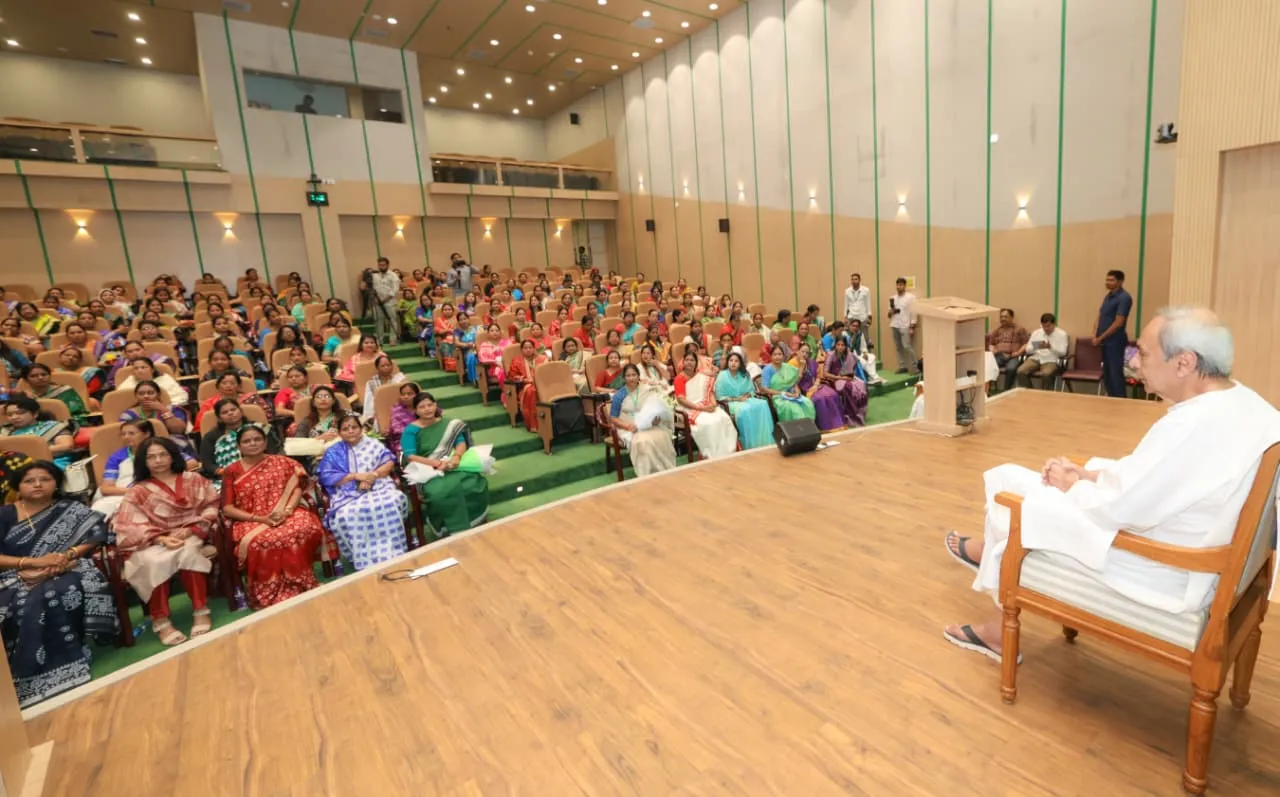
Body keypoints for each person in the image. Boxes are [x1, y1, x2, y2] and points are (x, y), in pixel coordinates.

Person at [942, 307, 1280, 665]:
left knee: (1007, 488)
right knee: (1019, 487)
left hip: (1156, 565)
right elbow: (1151, 481)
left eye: (1143, 354)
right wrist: (1089, 474)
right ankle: (991, 554)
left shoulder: (1190, 425)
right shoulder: (1250, 405)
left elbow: (1122, 510)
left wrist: (1072, 484)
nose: (1133, 362)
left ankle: (994, 590)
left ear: (1184, 363)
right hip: (1198, 550)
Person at [0, 461, 113, 707]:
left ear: (56, 483)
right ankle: (21, 671)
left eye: (45, 479)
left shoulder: (71, 508)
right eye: (29, 481)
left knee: (59, 591)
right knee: (17, 602)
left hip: (67, 568)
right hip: (13, 576)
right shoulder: (5, 514)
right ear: (18, 486)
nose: (38, 485)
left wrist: (66, 556)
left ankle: (68, 657)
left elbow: (96, 534)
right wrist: (32, 563)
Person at [114, 438, 221, 646]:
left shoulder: (193, 479)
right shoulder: (138, 490)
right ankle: (161, 620)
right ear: (143, 461)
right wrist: (160, 538)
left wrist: (191, 529)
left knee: (188, 553)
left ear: (173, 456)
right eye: (151, 457)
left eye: (163, 454)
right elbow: (127, 524)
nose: (158, 460)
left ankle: (201, 610)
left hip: (189, 533)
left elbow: (212, 505)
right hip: (153, 540)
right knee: (152, 562)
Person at [220, 425, 326, 609]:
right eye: (247, 441)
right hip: (251, 520)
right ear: (238, 446)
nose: (253, 443)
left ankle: (303, 582)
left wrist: (287, 511)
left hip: (288, 512)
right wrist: (259, 519)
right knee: (262, 541)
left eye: (257, 439)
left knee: (301, 528)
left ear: (265, 442)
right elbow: (227, 509)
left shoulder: (282, 462)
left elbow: (297, 488)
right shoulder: (231, 471)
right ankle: (269, 593)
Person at [316, 414, 409, 571]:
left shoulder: (373, 444)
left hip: (379, 485)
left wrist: (373, 475)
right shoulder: (333, 452)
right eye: (345, 429)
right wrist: (354, 476)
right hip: (346, 492)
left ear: (361, 429)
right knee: (347, 514)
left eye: (354, 427)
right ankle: (364, 559)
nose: (351, 431)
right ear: (339, 433)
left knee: (390, 503)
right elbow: (326, 476)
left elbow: (389, 462)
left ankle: (395, 552)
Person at [401, 392, 490, 536]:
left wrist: (456, 458)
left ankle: (474, 521)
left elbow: (460, 443)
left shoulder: (449, 424)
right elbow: (411, 456)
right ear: (415, 411)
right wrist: (436, 463)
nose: (427, 409)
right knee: (439, 493)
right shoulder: (410, 430)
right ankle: (447, 528)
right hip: (427, 470)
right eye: (422, 407)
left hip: (452, 464)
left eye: (430, 405)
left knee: (473, 482)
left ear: (435, 405)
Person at [93, 418, 195, 519]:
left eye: (131, 433)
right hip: (125, 494)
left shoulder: (161, 449)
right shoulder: (117, 457)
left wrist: (164, 471)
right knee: (103, 509)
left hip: (161, 491)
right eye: (123, 434)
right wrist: (138, 491)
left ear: (146, 434)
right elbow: (106, 488)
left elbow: (192, 463)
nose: (126, 437)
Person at [609, 364, 677, 477]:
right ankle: (647, 474)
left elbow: (660, 406)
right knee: (643, 442)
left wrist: (656, 418)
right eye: (628, 376)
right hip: (628, 427)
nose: (631, 378)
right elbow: (613, 418)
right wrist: (627, 426)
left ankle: (665, 471)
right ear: (624, 378)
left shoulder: (648, 389)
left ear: (638, 376)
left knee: (662, 436)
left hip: (650, 425)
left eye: (634, 375)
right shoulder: (619, 395)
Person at [672, 350, 738, 459]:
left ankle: (728, 452)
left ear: (696, 362)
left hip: (705, 405)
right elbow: (681, 400)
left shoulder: (701, 375)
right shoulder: (679, 378)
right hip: (689, 409)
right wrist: (701, 408)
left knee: (723, 417)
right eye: (687, 360)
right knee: (709, 423)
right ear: (683, 362)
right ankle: (711, 455)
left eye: (692, 360)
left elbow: (709, 391)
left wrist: (713, 404)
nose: (689, 362)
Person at [199, 399, 283, 482]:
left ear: (241, 412)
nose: (230, 413)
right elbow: (207, 463)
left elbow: (274, 451)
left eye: (233, 409)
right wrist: (224, 472)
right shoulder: (211, 437)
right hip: (227, 478)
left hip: (264, 471)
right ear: (219, 418)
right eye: (224, 412)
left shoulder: (259, 429)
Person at [118, 379, 196, 456]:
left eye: (150, 393)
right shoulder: (128, 415)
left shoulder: (172, 409)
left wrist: (164, 411)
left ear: (158, 394)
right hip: (139, 446)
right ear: (136, 396)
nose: (146, 396)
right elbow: (126, 437)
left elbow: (178, 430)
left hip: (171, 443)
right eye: (141, 394)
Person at [714, 351, 773, 450]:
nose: (733, 363)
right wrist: (737, 399)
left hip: (746, 399)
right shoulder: (722, 375)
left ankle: (763, 440)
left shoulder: (744, 374)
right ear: (727, 362)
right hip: (731, 402)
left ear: (740, 363)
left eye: (736, 361)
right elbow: (720, 397)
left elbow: (752, 390)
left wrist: (748, 395)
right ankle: (750, 443)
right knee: (746, 410)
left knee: (763, 404)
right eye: (731, 360)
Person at [1, 396, 76, 469]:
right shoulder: (6, 433)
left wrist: (31, 453)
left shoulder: (53, 426)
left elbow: (66, 446)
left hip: (52, 463)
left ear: (35, 414)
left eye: (20, 413)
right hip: (15, 467)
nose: (14, 417)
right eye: (9, 415)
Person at [1094, 269, 1133, 398]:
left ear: (1120, 282)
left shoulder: (1124, 298)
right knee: (1107, 374)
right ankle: (1111, 400)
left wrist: (1100, 338)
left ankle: (1120, 401)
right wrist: (1095, 335)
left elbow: (1118, 322)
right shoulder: (1108, 296)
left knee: (1115, 373)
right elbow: (1100, 316)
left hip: (1115, 342)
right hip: (1104, 342)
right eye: (1107, 280)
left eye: (1111, 280)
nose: (1108, 282)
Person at [794, 344, 845, 431]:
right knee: (820, 399)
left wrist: (816, 385)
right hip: (804, 389)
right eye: (802, 352)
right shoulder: (792, 363)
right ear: (798, 351)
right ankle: (825, 427)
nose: (804, 354)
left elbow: (818, 376)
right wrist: (802, 367)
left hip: (816, 386)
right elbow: (794, 382)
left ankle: (837, 424)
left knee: (833, 394)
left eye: (807, 353)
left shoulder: (812, 362)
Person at [758, 346, 816, 422]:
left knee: (807, 403)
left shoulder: (787, 367)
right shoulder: (767, 369)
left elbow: (793, 382)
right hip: (777, 396)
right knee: (794, 408)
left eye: (780, 354)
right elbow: (764, 388)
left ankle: (808, 427)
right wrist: (782, 393)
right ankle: (796, 429)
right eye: (775, 354)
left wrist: (797, 391)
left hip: (791, 394)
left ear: (783, 356)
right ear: (771, 356)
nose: (777, 357)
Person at [821, 338, 869, 427]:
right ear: (835, 346)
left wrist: (849, 376)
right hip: (834, 379)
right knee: (848, 387)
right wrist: (840, 377)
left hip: (846, 377)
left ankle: (860, 413)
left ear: (845, 346)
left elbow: (852, 368)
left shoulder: (847, 355)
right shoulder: (831, 355)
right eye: (838, 345)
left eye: (842, 345)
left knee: (862, 384)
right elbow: (825, 373)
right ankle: (851, 416)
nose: (840, 347)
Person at [1015, 313, 1070, 389]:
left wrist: (1051, 347)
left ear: (1054, 324)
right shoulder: (1036, 333)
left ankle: (1045, 394)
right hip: (1036, 358)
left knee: (1046, 374)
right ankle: (1030, 392)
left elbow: (1063, 353)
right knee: (1020, 371)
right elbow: (1028, 350)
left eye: (1048, 326)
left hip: (1051, 359)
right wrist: (1037, 346)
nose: (1046, 328)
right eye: (1044, 326)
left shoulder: (1062, 334)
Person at [21, 363, 88, 420]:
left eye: (44, 374)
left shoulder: (64, 391)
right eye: (33, 376)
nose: (40, 378)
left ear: (49, 376)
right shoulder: (24, 396)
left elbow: (79, 414)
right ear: (26, 380)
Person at [507, 339, 547, 433]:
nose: (528, 350)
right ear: (521, 350)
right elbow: (512, 376)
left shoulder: (542, 359)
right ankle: (533, 424)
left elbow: (547, 372)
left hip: (542, 385)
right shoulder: (516, 361)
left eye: (530, 347)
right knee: (532, 391)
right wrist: (524, 380)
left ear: (534, 349)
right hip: (525, 387)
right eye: (525, 348)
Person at [361, 354, 406, 423]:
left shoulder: (399, 378)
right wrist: (372, 417)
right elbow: (369, 403)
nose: (386, 367)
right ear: (377, 368)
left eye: (388, 365)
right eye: (383, 366)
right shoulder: (371, 383)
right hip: (381, 413)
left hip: (400, 410)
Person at [888, 277, 918, 374]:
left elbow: (914, 312)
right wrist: (891, 311)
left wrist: (912, 326)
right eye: (897, 285)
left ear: (905, 286)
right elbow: (889, 315)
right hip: (894, 324)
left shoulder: (911, 297)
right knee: (898, 347)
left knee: (906, 346)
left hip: (905, 325)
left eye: (900, 285)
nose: (898, 287)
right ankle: (902, 366)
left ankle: (915, 367)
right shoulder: (893, 298)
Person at [370, 257, 401, 345]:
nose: (381, 266)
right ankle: (379, 340)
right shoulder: (375, 276)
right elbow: (372, 289)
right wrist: (375, 299)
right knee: (379, 321)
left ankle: (393, 339)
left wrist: (384, 300)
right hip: (377, 302)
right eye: (380, 265)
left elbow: (394, 290)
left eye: (383, 265)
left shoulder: (393, 275)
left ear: (387, 265)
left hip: (389, 301)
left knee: (392, 320)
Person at [385, 383, 419, 458]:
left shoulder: (423, 407)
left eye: (410, 394)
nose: (406, 396)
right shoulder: (397, 411)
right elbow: (398, 431)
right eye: (403, 394)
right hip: (402, 442)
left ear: (417, 395)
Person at [477, 324, 510, 393]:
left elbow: (511, 355)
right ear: (488, 333)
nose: (495, 332)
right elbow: (483, 359)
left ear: (500, 332)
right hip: (494, 368)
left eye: (497, 330)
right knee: (502, 372)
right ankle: (506, 393)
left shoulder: (507, 342)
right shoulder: (484, 345)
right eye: (492, 331)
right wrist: (496, 361)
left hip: (508, 365)